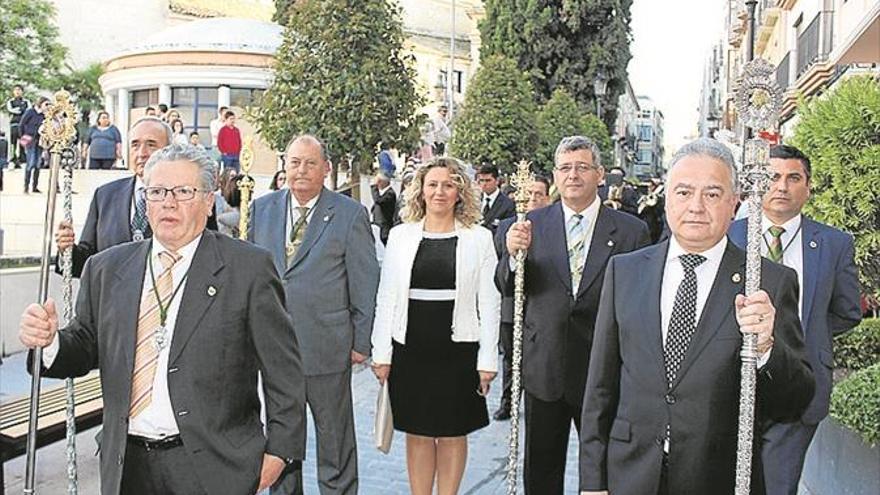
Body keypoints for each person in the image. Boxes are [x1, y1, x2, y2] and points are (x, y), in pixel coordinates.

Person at [19, 143, 306, 495]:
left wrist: (280, 452)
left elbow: (283, 371)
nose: (168, 202)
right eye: (156, 192)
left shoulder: (248, 269)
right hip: (128, 466)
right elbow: (85, 344)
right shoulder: (106, 268)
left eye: (184, 191)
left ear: (208, 200)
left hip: (213, 467)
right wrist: (51, 342)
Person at [579, 138, 815, 495]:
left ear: (735, 203)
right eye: (684, 192)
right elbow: (600, 387)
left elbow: (795, 400)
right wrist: (592, 483)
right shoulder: (625, 272)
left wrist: (767, 346)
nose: (696, 207)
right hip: (630, 472)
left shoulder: (767, 282)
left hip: (720, 476)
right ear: (667, 197)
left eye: (713, 194)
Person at [499, 135, 650, 494]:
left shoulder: (632, 231)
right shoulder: (526, 225)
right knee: (541, 470)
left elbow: (640, 302)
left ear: (599, 174)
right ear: (554, 175)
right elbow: (507, 286)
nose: (573, 175)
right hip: (544, 366)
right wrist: (511, 255)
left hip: (604, 370)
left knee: (602, 469)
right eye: (565, 168)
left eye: (582, 167)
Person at [728, 144, 862, 495]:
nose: (782, 186)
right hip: (730, 383)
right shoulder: (728, 237)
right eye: (773, 177)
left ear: (808, 185)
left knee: (778, 485)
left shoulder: (834, 243)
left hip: (801, 385)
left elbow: (847, 311)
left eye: (793, 178)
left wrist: (799, 337)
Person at [249, 134, 379, 494]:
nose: (301, 170)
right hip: (275, 351)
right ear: (284, 166)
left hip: (327, 348)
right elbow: (252, 277)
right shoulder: (262, 209)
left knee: (334, 441)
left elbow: (365, 282)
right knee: (282, 442)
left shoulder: (350, 214)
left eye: (309, 163)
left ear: (326, 169)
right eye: (294, 162)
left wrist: (361, 341)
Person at [371, 157, 500, 495]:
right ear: (421, 191)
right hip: (411, 346)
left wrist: (488, 360)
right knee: (418, 431)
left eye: (448, 184)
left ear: (460, 191)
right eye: (433, 184)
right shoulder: (400, 236)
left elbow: (489, 302)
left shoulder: (479, 238)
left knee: (453, 431)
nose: (440, 191)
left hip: (459, 346)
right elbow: (386, 297)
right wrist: (381, 352)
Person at [56, 117, 172, 277]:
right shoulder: (105, 196)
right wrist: (67, 249)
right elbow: (87, 261)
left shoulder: (187, 198)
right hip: (111, 299)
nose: (142, 153)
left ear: (170, 151)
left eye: (151, 145)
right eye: (135, 145)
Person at [492, 175, 552, 421]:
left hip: (543, 306)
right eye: (529, 193)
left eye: (539, 194)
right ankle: (508, 402)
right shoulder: (507, 226)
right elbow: (499, 264)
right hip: (511, 305)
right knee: (511, 358)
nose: (534, 198)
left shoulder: (554, 227)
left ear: (548, 198)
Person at [19, 96, 50, 194]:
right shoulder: (31, 112)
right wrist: (22, 136)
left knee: (38, 163)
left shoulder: (45, 115)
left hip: (39, 140)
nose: (47, 106)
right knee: (30, 162)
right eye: (46, 104)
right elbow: (22, 124)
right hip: (30, 139)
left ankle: (35, 186)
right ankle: (26, 186)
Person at [477, 164, 516, 234]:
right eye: (481, 180)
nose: (484, 184)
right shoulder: (475, 201)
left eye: (488, 180)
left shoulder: (508, 204)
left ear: (497, 181)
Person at [6, 84, 30, 168]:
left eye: (19, 90)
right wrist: (19, 110)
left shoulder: (26, 102)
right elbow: (12, 110)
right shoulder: (10, 102)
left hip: (23, 126)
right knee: (13, 143)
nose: (17, 92)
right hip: (14, 125)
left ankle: (23, 160)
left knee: (23, 143)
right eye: (16, 90)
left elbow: (27, 111)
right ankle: (13, 160)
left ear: (22, 92)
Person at [371, 172, 397, 245]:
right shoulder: (383, 193)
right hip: (378, 227)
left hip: (384, 229)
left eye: (378, 182)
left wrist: (374, 187)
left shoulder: (390, 194)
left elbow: (378, 200)